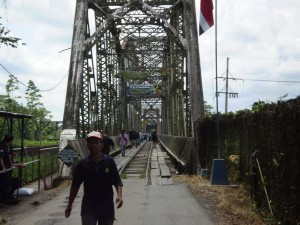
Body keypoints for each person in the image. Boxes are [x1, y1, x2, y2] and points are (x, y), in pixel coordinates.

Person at [65, 131, 123, 225]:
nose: (93, 145)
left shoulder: (109, 162)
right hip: (89, 206)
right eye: (90, 143)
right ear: (87, 145)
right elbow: (75, 185)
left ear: (102, 145)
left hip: (106, 206)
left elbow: (117, 180)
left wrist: (119, 195)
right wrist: (69, 205)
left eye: (96, 142)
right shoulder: (82, 165)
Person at [0, 135, 14, 204]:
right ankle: (3, 200)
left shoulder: (6, 146)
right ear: (9, 140)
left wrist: (11, 164)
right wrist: (3, 167)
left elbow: (9, 156)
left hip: (7, 167)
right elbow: (1, 157)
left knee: (8, 183)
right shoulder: (1, 146)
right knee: (4, 183)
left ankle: (7, 198)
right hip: (3, 169)